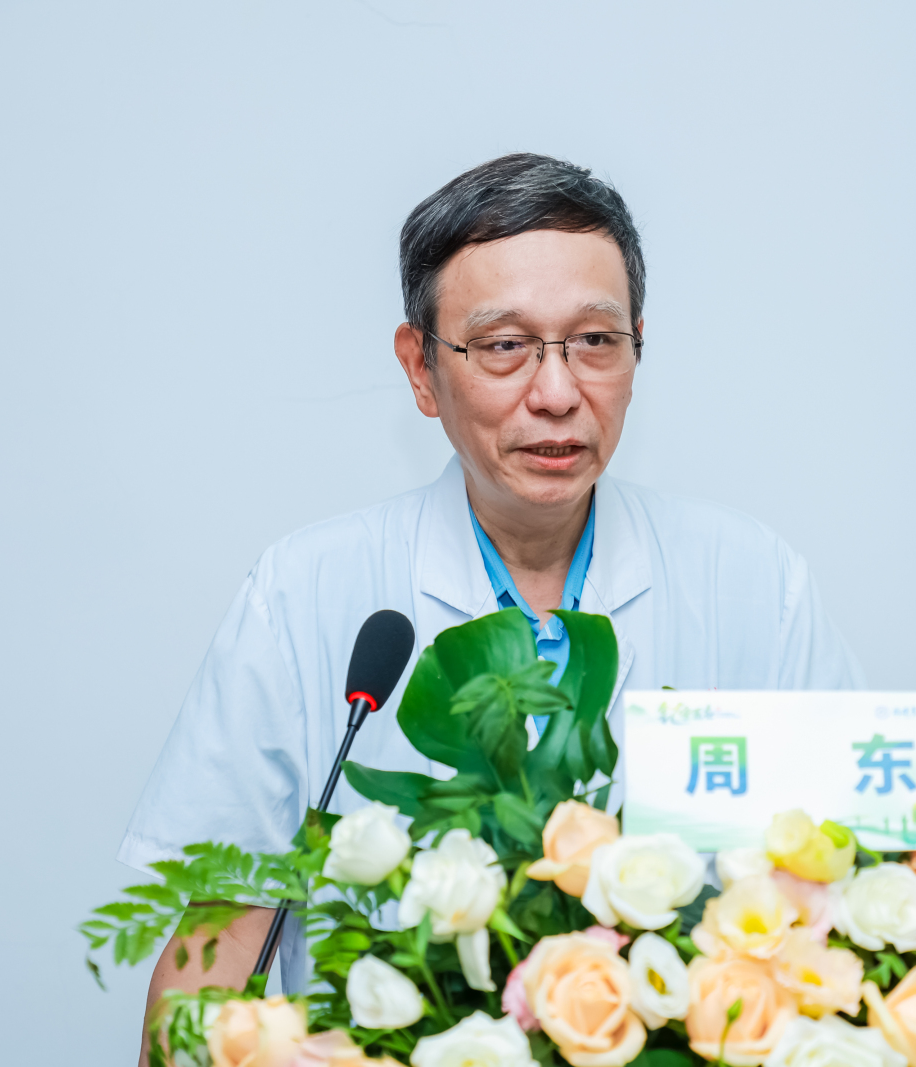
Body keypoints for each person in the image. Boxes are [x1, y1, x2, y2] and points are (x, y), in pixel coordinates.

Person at [120, 152, 862, 1054]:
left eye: (595, 341)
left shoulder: (754, 586)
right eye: (505, 346)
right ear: (421, 368)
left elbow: (847, 908)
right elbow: (214, 961)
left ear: (637, 348)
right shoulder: (305, 595)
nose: (557, 393)